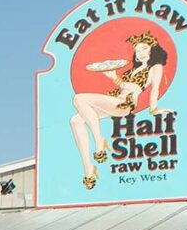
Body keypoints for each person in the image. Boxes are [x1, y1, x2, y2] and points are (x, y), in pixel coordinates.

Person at [70, 31, 172, 190]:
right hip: (114, 100)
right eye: (137, 50)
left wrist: (154, 109)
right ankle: (88, 169)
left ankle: (99, 140)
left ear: (152, 49)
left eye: (144, 48)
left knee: (79, 99)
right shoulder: (133, 69)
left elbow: (153, 89)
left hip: (125, 104)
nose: (141, 53)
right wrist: (112, 75)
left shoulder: (155, 67)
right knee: (75, 120)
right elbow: (122, 85)